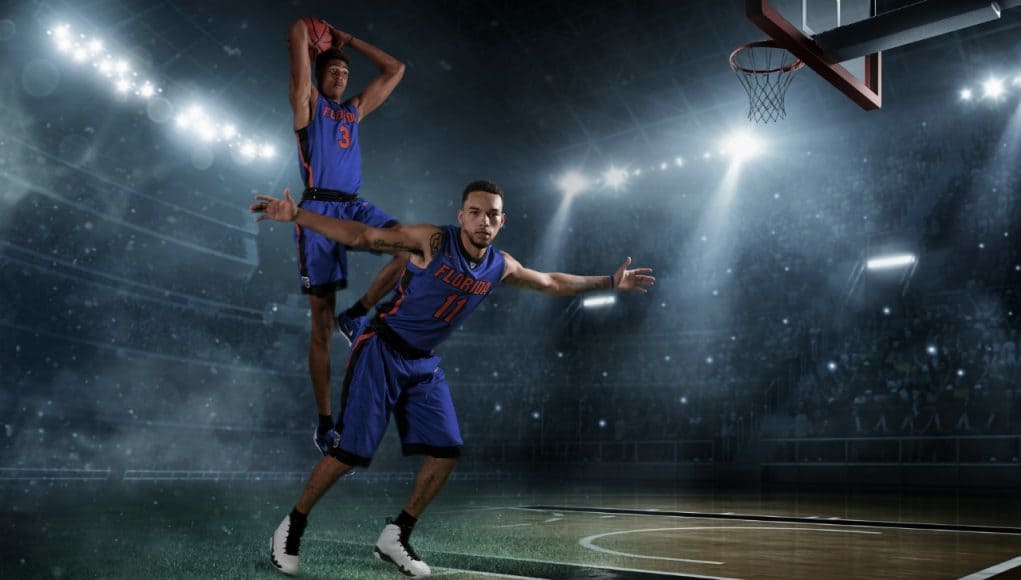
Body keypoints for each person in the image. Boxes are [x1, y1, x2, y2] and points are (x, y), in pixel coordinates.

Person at [251, 180, 654, 577]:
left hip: (422, 363)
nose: (483, 221)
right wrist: (298, 215)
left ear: (502, 221)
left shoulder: (501, 265)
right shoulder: (433, 242)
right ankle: (291, 527)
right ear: (461, 216)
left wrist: (609, 282)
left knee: (446, 451)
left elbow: (550, 282)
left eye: (492, 214)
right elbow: (365, 235)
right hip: (383, 349)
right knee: (349, 453)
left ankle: (396, 536)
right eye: (475, 213)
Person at [287, 16, 409, 456]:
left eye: (345, 71)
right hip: (318, 209)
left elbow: (396, 70)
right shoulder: (308, 104)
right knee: (319, 327)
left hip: (353, 203)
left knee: (409, 245)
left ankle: (356, 313)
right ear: (319, 74)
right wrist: (315, 38)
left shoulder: (352, 111)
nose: (341, 74)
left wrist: (349, 40)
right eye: (333, 70)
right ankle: (324, 424)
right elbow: (298, 33)